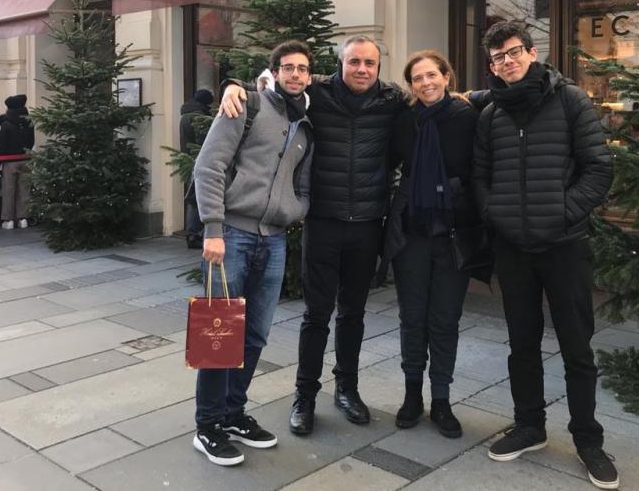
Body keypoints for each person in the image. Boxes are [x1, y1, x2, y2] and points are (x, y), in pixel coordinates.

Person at [220, 36, 407, 436]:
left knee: (354, 313)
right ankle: (304, 396)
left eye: (370, 62)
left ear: (379, 66)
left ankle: (348, 389)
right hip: (323, 222)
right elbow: (271, 80)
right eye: (354, 61)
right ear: (340, 64)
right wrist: (232, 84)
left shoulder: (392, 99)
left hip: (367, 224)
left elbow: (434, 92)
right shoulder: (317, 91)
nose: (362, 69)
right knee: (316, 315)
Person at [472, 22, 617, 490]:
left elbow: (598, 168)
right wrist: (496, 213)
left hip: (564, 246)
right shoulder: (491, 112)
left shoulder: (570, 100)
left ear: (532, 53)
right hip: (513, 248)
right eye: (497, 58)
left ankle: (588, 440)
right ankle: (529, 426)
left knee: (577, 345)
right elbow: (480, 175)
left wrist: (561, 213)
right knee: (521, 343)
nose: (506, 62)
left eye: (513, 53)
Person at [192, 40, 314, 467]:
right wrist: (212, 227)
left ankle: (232, 413)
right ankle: (207, 426)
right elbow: (208, 165)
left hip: (274, 239)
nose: (295, 74)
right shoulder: (248, 105)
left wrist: (295, 209)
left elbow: (304, 183)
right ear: (274, 71)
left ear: (310, 76)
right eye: (288, 68)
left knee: (256, 333)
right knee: (218, 334)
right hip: (232, 234)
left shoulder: (304, 125)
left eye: (302, 69)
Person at [384, 50, 484, 438]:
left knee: (445, 321)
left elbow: (479, 169)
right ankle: (412, 395)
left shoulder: (467, 118)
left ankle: (441, 400)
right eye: (417, 78)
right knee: (412, 319)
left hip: (452, 237)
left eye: (432, 75)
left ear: (447, 76)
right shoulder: (404, 121)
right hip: (411, 236)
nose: (425, 83)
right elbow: (388, 162)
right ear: (410, 85)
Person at [180, 88, 214, 249]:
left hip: (189, 159)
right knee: (196, 199)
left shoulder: (186, 114)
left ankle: (192, 233)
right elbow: (204, 143)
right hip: (200, 162)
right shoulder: (199, 116)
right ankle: (194, 234)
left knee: (193, 199)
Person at [0, 95, 35, 229]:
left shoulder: (6, 124)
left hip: (9, 161)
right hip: (25, 159)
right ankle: (23, 218)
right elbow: (31, 142)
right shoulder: (29, 121)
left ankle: (8, 220)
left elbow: (2, 145)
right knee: (24, 190)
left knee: (8, 190)